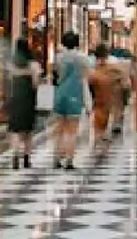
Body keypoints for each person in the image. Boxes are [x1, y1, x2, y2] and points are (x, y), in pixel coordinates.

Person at [53, 31, 89, 170]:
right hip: (74, 94)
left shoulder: (59, 57)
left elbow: (57, 75)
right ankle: (69, 160)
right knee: (72, 131)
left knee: (59, 130)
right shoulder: (82, 58)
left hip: (60, 94)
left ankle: (56, 159)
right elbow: (85, 76)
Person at [6, 39, 40, 169]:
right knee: (27, 131)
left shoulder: (11, 63)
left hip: (15, 98)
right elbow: (35, 84)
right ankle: (26, 158)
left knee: (15, 130)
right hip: (28, 99)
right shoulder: (33, 65)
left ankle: (15, 157)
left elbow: (9, 81)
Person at [88, 44, 122, 143]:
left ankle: (99, 135)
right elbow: (120, 77)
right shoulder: (113, 62)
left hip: (99, 93)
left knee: (102, 112)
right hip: (104, 93)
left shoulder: (91, 62)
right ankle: (99, 135)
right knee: (102, 112)